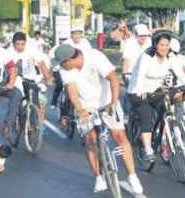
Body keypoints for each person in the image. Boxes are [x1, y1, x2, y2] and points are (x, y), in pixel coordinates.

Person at [53, 44, 143, 194]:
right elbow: (71, 90)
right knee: (90, 140)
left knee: (119, 136)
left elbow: (114, 78)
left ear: (69, 60)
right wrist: (80, 109)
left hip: (107, 101)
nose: (60, 66)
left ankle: (133, 177)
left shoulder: (94, 56)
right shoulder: (65, 70)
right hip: (85, 106)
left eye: (61, 62)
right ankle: (98, 177)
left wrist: (113, 103)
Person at [127, 31, 176, 161]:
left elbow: (179, 72)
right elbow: (140, 74)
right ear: (155, 44)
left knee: (167, 112)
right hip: (138, 91)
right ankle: (148, 149)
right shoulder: (147, 56)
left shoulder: (170, 56)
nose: (164, 48)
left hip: (155, 91)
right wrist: (140, 89)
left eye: (167, 45)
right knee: (146, 115)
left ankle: (164, 142)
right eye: (161, 45)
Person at [6, 32, 52, 135]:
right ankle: (13, 119)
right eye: (17, 44)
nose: (20, 47)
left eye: (22, 44)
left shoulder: (32, 50)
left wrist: (48, 77)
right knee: (17, 97)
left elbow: (41, 63)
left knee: (39, 101)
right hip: (16, 79)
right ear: (13, 44)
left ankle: (38, 124)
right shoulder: (8, 52)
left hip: (31, 78)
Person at [121, 24, 151, 117]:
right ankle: (128, 114)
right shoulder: (130, 43)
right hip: (132, 73)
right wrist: (126, 74)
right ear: (136, 35)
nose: (143, 38)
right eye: (141, 36)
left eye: (145, 36)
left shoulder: (149, 43)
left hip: (146, 73)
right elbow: (126, 60)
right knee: (130, 92)